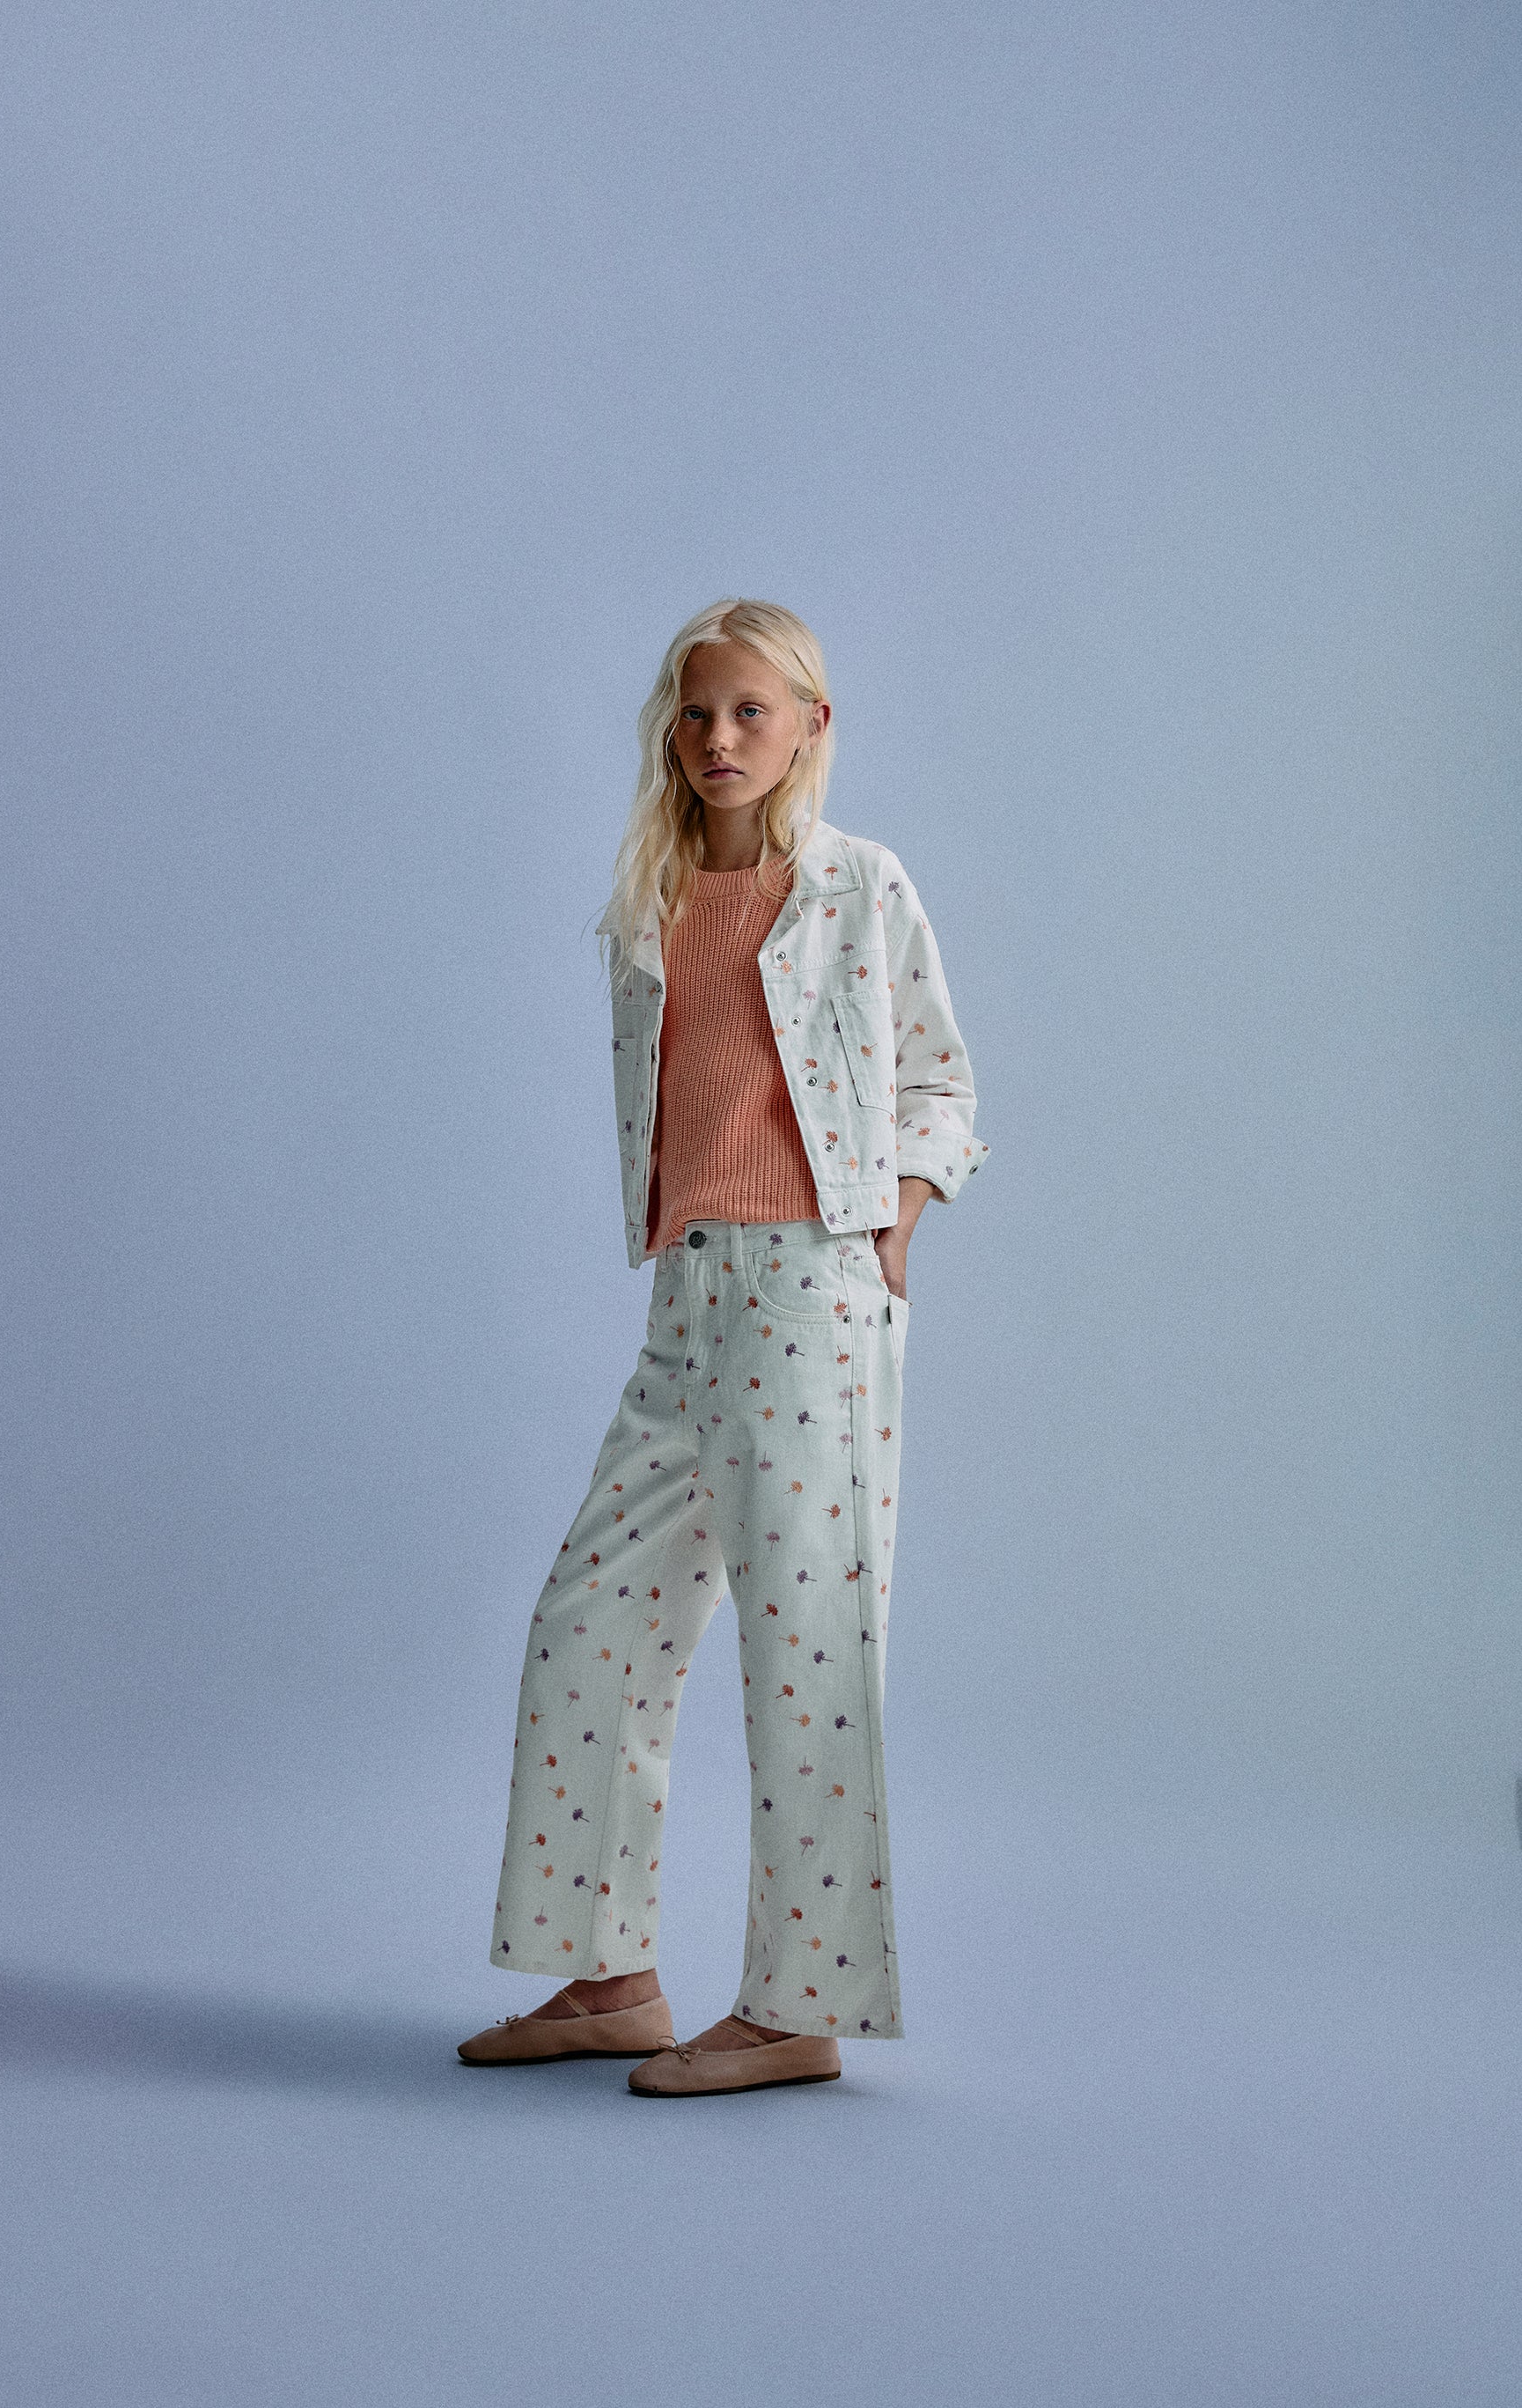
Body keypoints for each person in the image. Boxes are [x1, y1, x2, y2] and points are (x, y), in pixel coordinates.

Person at [457, 598, 988, 2096]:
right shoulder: (655, 901)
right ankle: (611, 1979)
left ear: (812, 725)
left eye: (752, 711)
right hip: (687, 1304)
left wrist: (893, 1224)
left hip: (812, 1300)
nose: (719, 738)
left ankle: (797, 2009)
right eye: (697, 714)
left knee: (808, 1653)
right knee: (591, 1624)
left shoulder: (861, 886)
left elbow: (942, 1083)